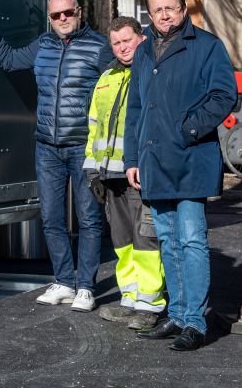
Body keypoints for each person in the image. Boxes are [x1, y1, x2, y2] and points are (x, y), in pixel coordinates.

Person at [0, 0, 113, 312]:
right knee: (52, 218)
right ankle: (63, 281)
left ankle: (86, 286)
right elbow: (9, 60)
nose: (62, 19)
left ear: (79, 12)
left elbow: (119, 86)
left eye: (67, 13)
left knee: (89, 218)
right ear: (50, 18)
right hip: (47, 145)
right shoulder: (43, 45)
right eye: (55, 15)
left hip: (84, 146)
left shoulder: (100, 47)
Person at [124, 0, 236, 351]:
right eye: (158, 10)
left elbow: (224, 95)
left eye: (171, 8)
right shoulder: (143, 52)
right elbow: (136, 110)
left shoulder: (206, 46)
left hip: (190, 159)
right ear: (150, 15)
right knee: (169, 242)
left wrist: (187, 129)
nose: (165, 15)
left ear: (183, 9)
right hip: (153, 161)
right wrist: (132, 159)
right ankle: (177, 312)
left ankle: (195, 322)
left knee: (191, 240)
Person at [83, 16, 166, 330]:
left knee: (146, 241)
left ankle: (150, 304)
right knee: (123, 243)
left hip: (138, 173)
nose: (121, 48)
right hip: (109, 175)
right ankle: (130, 300)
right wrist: (91, 169)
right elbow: (94, 127)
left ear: (141, 39)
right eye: (115, 43)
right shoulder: (106, 77)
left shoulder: (150, 73)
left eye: (126, 41)